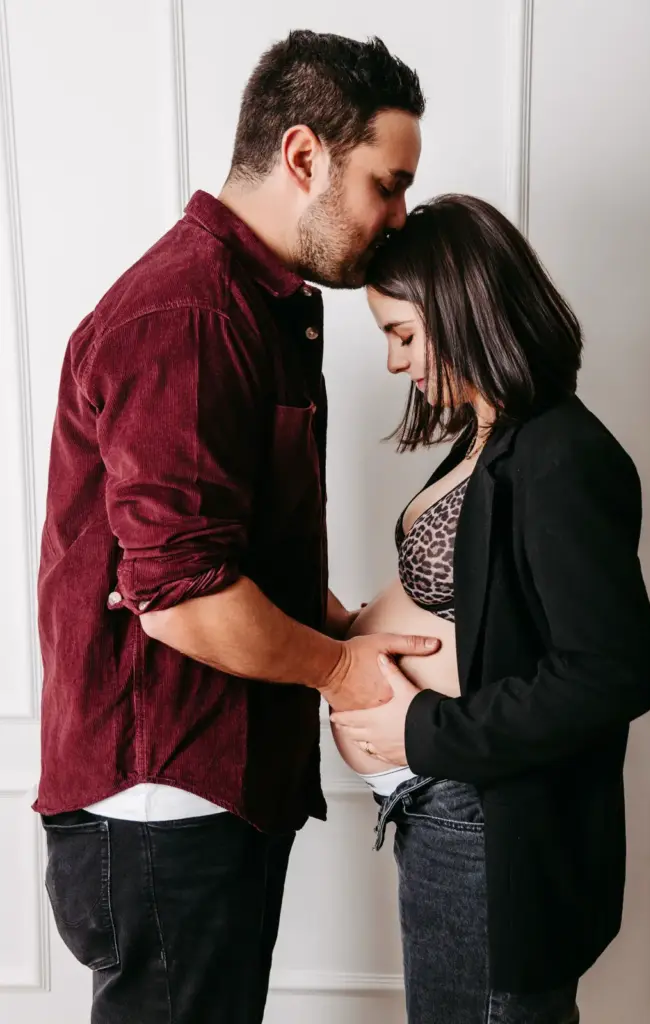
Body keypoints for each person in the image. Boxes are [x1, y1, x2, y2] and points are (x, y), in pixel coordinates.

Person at [34, 30, 435, 1024]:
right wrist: (344, 673)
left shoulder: (254, 307)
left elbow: (225, 550)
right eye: (386, 184)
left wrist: (342, 627)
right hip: (164, 795)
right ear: (304, 157)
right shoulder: (190, 314)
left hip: (205, 787)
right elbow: (180, 598)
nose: (397, 215)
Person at [331, 194, 650, 1024]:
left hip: (487, 817)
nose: (394, 364)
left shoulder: (561, 453)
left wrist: (423, 730)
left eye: (402, 334)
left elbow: (610, 672)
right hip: (444, 809)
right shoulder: (485, 434)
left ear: (462, 308)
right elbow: (483, 611)